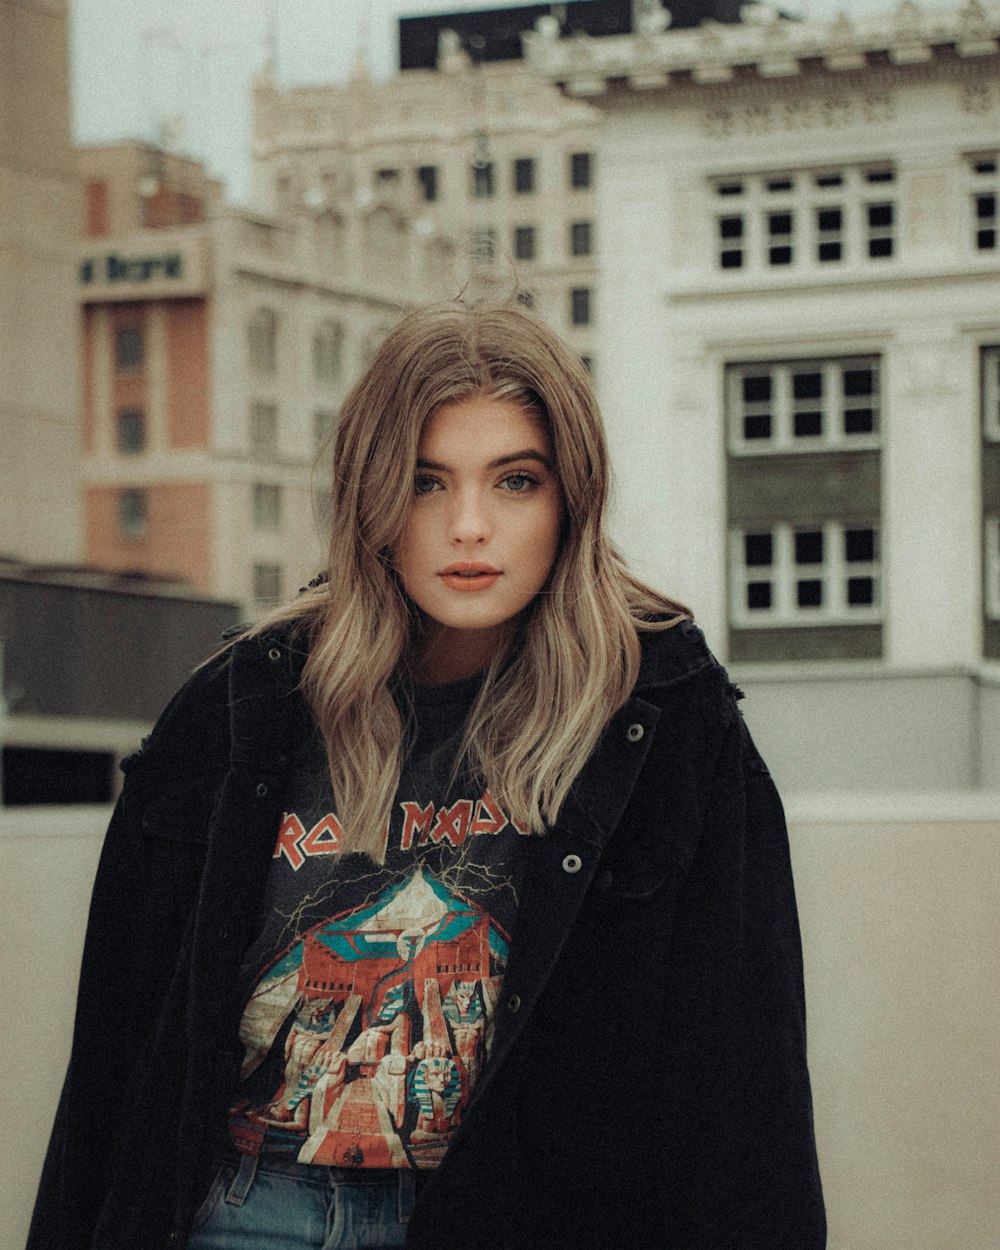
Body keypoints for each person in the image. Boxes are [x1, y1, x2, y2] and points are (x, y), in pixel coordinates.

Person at [29, 302, 826, 1250]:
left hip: (522, 1219)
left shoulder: (662, 719)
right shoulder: (242, 705)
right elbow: (116, 1056)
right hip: (244, 1214)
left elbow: (746, 1078)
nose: (470, 528)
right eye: (425, 483)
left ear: (572, 498)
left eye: (516, 480)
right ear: (371, 498)